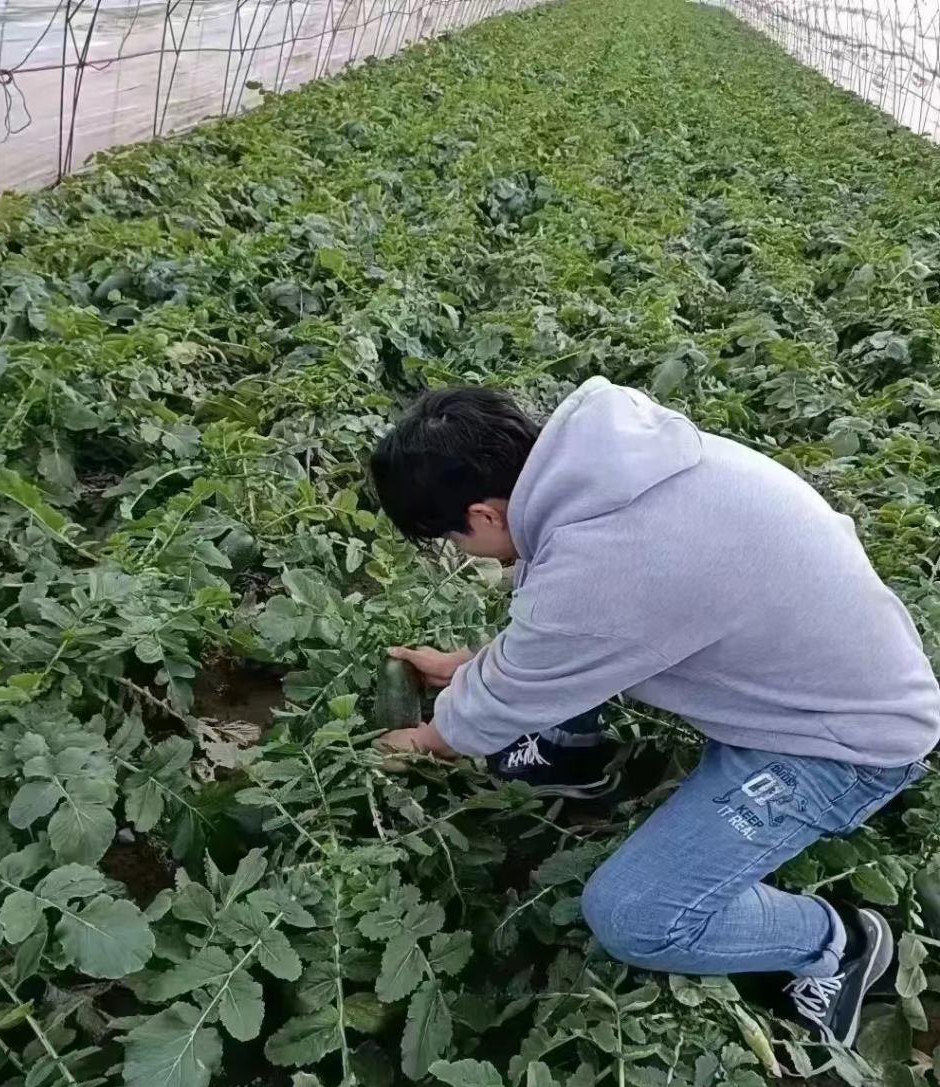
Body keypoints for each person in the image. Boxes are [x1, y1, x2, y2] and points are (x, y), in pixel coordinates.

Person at [368, 377, 940, 1049]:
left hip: (841, 745)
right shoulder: (613, 464)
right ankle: (571, 755)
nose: (461, 552)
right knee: (552, 649)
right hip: (817, 676)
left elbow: (581, 614)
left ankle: (840, 944)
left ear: (483, 516)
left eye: (451, 538)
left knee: (635, 914)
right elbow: (579, 626)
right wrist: (474, 668)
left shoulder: (608, 561)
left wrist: (430, 737)